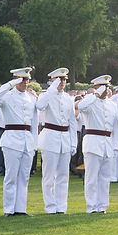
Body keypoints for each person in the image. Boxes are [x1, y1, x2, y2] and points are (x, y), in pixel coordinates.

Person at [0, 67, 38, 216]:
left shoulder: (31, 98)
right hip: (11, 139)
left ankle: (21, 208)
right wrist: (9, 84)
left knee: (24, 177)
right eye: (22, 80)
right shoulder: (7, 96)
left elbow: (34, 123)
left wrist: (34, 144)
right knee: (11, 176)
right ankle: (9, 209)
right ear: (16, 80)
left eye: (27, 80)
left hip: (27, 139)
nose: (25, 83)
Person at [36, 68, 76, 214]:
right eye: (59, 80)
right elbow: (39, 106)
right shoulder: (46, 95)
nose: (62, 83)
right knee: (49, 176)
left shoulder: (68, 98)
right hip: (50, 137)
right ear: (52, 81)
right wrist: (51, 89)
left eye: (64, 80)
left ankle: (61, 206)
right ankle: (50, 206)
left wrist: (73, 143)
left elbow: (72, 122)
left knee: (63, 176)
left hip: (64, 139)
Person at [77, 75, 116, 213]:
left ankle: (102, 206)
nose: (106, 89)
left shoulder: (111, 104)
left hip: (107, 144)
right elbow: (80, 106)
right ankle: (91, 206)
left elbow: (115, 126)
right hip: (93, 142)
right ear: (96, 88)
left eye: (108, 86)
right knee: (91, 178)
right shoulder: (90, 102)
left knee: (105, 178)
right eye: (103, 87)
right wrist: (95, 95)